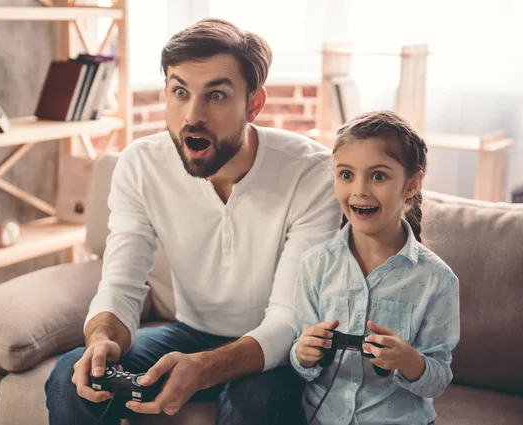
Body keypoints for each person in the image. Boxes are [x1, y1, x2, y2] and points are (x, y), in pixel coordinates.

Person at [45, 17, 342, 425]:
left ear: (253, 104)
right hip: (190, 332)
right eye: (179, 91)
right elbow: (121, 284)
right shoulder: (140, 165)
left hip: (280, 349)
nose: (192, 115)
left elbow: (289, 320)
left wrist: (204, 367)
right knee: (71, 377)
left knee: (253, 406)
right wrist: (101, 339)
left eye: (216, 95)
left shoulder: (311, 173)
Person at [291, 110, 460, 425]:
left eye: (378, 176)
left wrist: (410, 361)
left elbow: (438, 378)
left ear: (412, 184)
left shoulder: (437, 280)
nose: (360, 190)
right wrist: (303, 353)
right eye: (346, 174)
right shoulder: (315, 265)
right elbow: (299, 358)